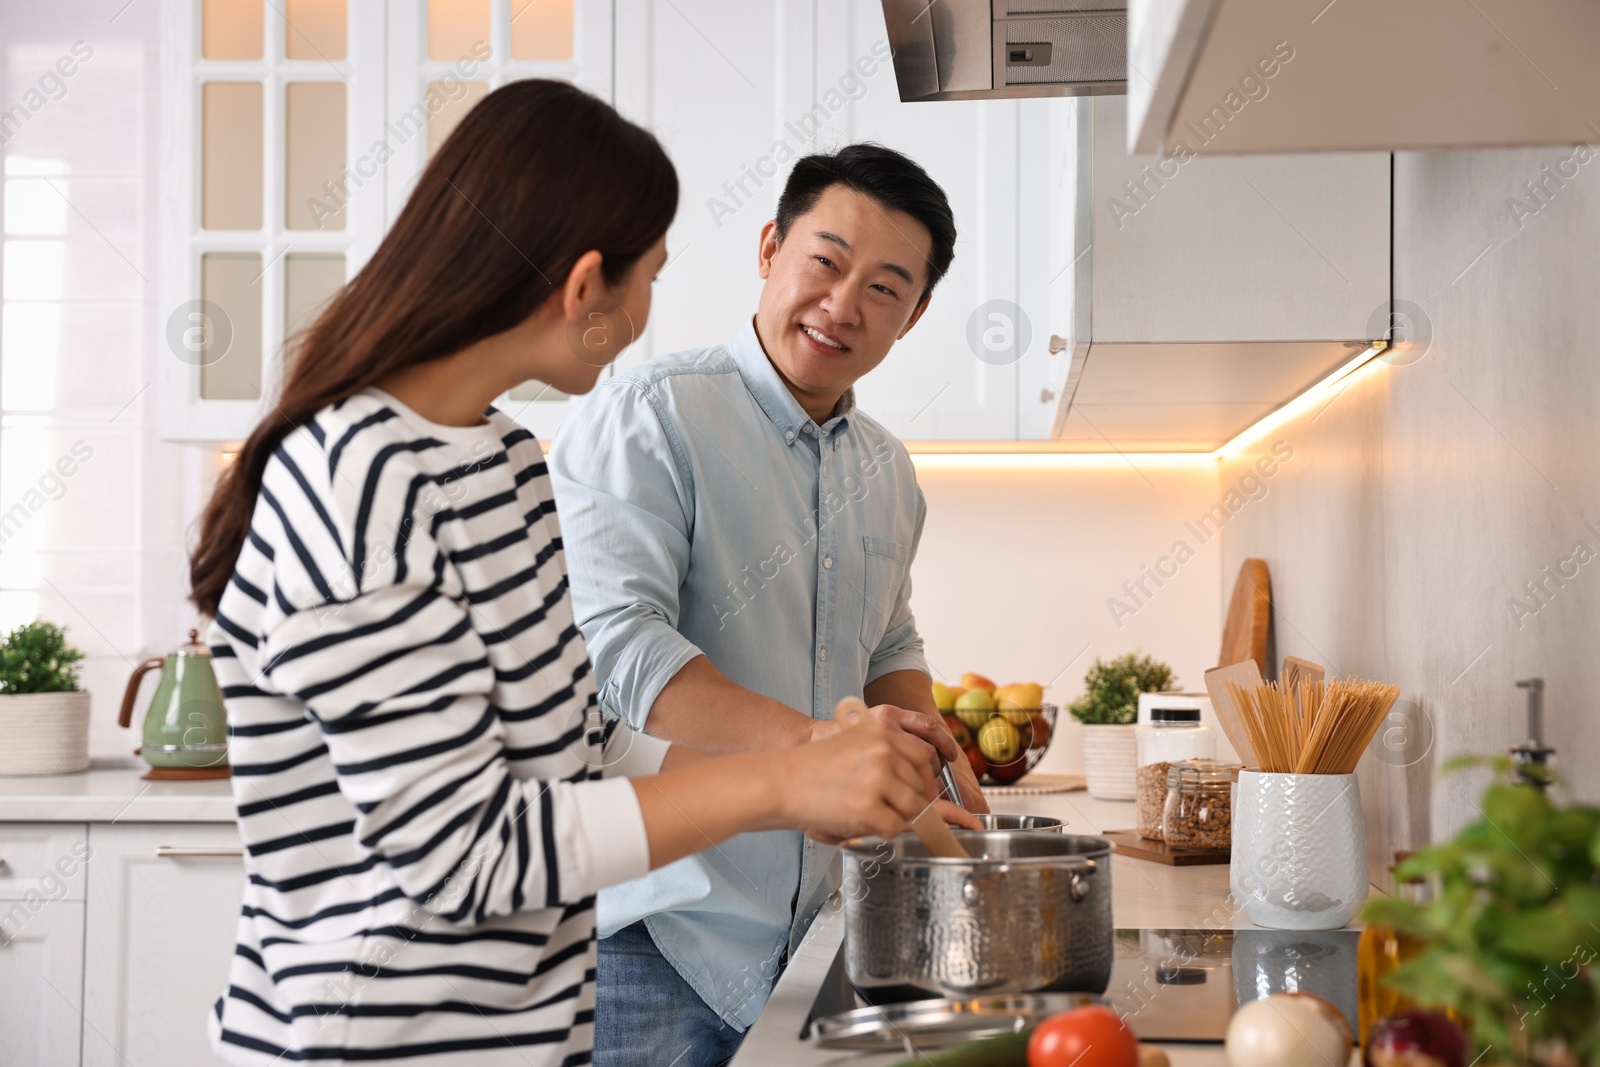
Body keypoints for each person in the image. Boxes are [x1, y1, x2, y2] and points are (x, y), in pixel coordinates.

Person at [186, 81, 969, 1067]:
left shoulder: (503, 459)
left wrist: (828, 771)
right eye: (650, 276)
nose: (647, 311)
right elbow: (466, 853)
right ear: (584, 281)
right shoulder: (354, 474)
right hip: (372, 1042)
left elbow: (584, 734)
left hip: (522, 1032)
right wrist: (783, 781)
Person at [548, 143, 989, 1065]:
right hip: (656, 936)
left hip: (815, 927)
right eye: (825, 262)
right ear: (769, 249)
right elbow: (621, 653)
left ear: (914, 315)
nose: (842, 304)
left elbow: (887, 641)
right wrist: (825, 755)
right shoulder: (652, 414)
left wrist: (929, 761)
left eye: (884, 287)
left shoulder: (887, 470)